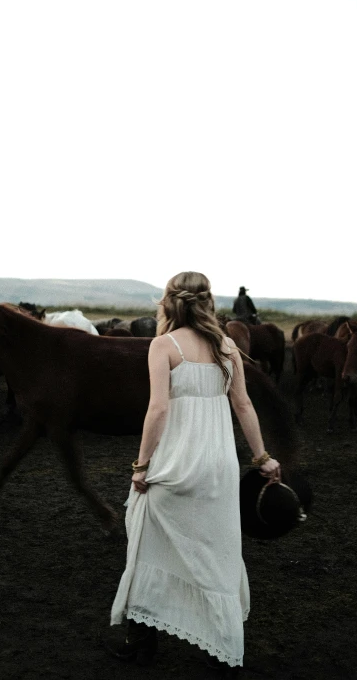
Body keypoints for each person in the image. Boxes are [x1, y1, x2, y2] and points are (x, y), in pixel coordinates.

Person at [108, 271, 280, 670]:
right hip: (218, 467)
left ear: (169, 302)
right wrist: (261, 457)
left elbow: (158, 409)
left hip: (175, 464)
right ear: (209, 302)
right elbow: (244, 406)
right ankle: (222, 646)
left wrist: (141, 466)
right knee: (215, 551)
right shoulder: (227, 346)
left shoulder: (163, 345)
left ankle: (142, 644)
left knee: (147, 538)